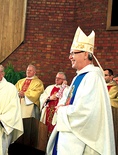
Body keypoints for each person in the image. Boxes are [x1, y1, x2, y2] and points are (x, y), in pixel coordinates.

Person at [46, 27, 115, 155]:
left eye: (73, 53)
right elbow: (68, 99)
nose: (70, 57)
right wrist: (62, 104)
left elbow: (85, 112)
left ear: (85, 54)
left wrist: (61, 110)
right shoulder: (79, 76)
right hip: (69, 137)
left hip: (82, 142)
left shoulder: (93, 77)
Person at [40, 72, 68, 137]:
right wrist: (49, 98)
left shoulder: (66, 89)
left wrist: (63, 87)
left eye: (59, 78)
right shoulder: (50, 87)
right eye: (56, 78)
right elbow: (42, 98)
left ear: (64, 80)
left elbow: (66, 100)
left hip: (57, 114)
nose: (57, 79)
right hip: (47, 112)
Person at [103, 68, 118, 155]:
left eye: (105, 75)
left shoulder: (114, 87)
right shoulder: (102, 86)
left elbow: (108, 99)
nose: (103, 77)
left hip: (111, 114)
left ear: (111, 77)